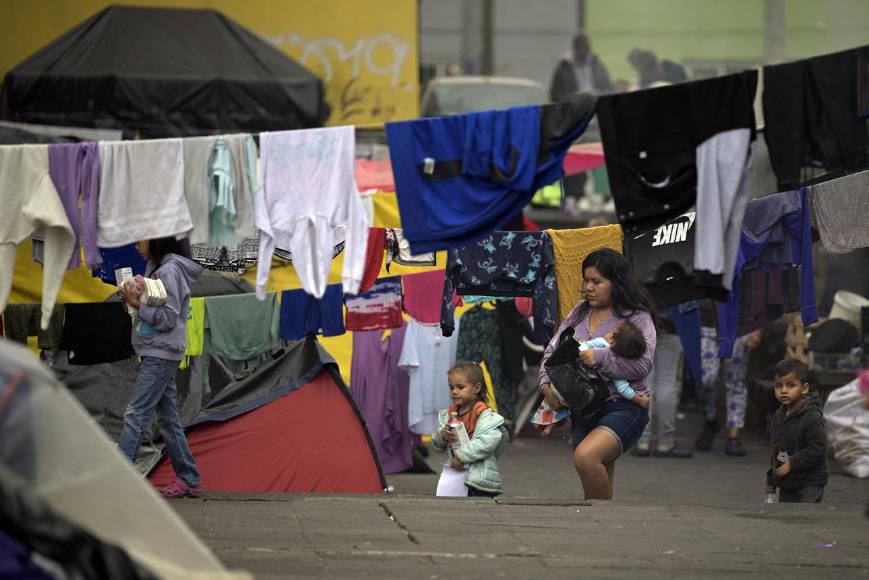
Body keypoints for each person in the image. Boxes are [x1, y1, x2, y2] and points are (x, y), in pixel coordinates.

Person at [539, 248, 656, 500]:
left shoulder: (637, 317)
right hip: (584, 409)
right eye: (586, 280)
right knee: (597, 480)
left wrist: (599, 358)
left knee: (586, 457)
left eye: (597, 282)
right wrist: (546, 384)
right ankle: (603, 530)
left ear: (617, 283)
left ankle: (600, 522)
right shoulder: (580, 312)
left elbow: (643, 365)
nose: (589, 287)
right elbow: (553, 350)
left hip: (623, 406)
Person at [117, 237, 204, 498]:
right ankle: (188, 477)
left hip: (161, 353)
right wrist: (133, 299)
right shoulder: (157, 269)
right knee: (168, 420)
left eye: (140, 241)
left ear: (156, 241)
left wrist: (136, 304)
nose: (135, 246)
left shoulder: (169, 272)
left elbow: (167, 318)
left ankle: (118, 478)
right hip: (158, 350)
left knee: (136, 413)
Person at [532, 320, 651, 435]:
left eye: (611, 332)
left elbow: (581, 348)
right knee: (570, 403)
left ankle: (548, 425)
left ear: (614, 341)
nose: (607, 332)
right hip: (587, 394)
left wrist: (583, 345)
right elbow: (623, 389)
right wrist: (638, 400)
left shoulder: (601, 343)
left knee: (555, 397)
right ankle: (554, 423)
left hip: (573, 378)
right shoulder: (616, 367)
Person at [431, 361, 508, 497]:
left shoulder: (485, 415)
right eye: (451, 387)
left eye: (460, 387)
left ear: (476, 388)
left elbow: (487, 441)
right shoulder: (450, 414)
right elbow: (437, 445)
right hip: (456, 478)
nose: (454, 392)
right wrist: (443, 435)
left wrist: (461, 457)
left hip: (479, 482)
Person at [766, 359, 828, 503]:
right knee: (787, 520)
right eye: (778, 385)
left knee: (805, 518)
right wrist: (772, 481)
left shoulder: (811, 415)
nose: (784, 390)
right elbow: (775, 449)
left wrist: (791, 464)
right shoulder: (778, 416)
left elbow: (817, 448)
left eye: (791, 385)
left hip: (810, 482)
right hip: (787, 482)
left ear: (804, 388)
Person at [633, 310, 693, 458]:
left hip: (643, 323)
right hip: (673, 323)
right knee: (668, 382)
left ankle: (643, 440)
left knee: (645, 382)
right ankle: (665, 442)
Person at [550, 33, 612, 102]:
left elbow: (609, 90)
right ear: (574, 49)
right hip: (574, 109)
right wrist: (575, 97)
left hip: (596, 105)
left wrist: (600, 93)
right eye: (582, 52)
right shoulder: (563, 69)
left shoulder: (596, 65)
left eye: (587, 52)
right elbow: (555, 97)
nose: (585, 56)